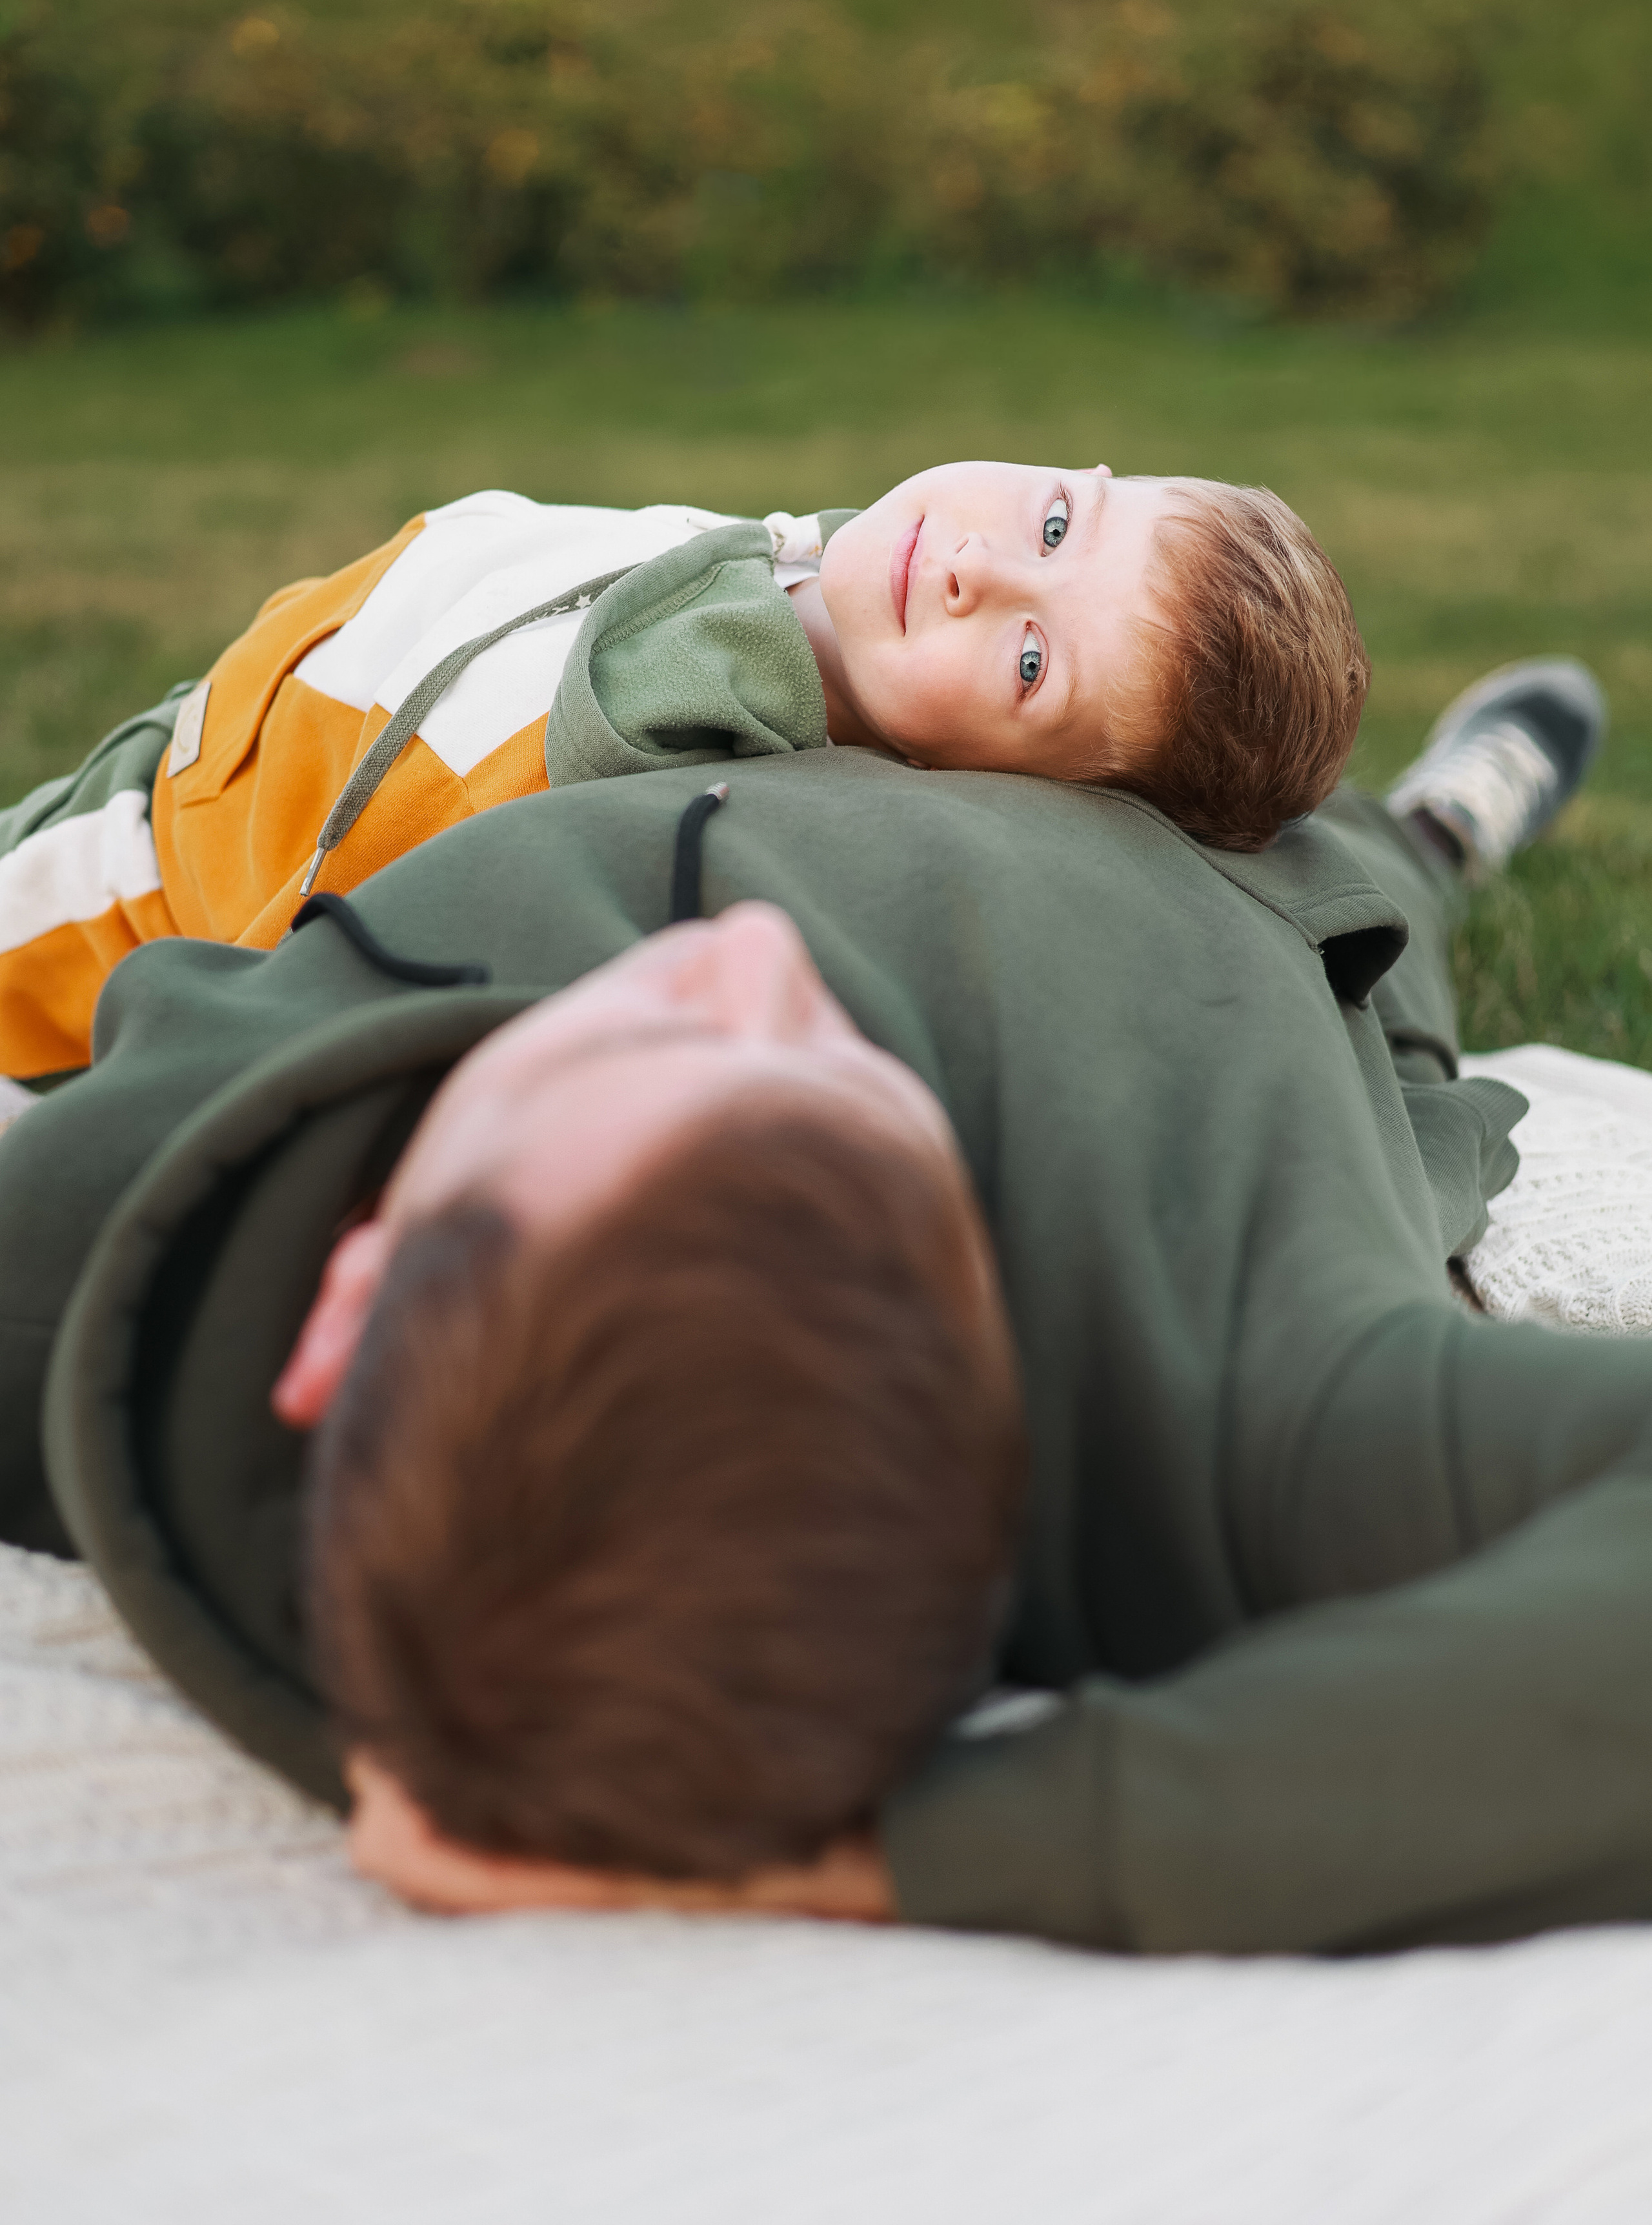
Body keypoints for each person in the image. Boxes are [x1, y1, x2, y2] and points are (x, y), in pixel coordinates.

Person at [9, 644, 1652, 1958]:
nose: (758, 963)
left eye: (647, 1043)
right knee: (1375, 914)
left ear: (342, 1309)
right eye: (862, 1085)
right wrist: (916, 1850)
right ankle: (1431, 836)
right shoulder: (1251, 1415)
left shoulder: (87, 1262)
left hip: (905, 693)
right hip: (1255, 896)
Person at [0, 460, 1365, 1082]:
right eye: (1058, 521)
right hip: (229, 726)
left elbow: (294, 976)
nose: (978, 565)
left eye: (1027, 664)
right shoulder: (823, 576)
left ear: (998, 793)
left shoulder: (655, 751)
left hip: (153, 870)